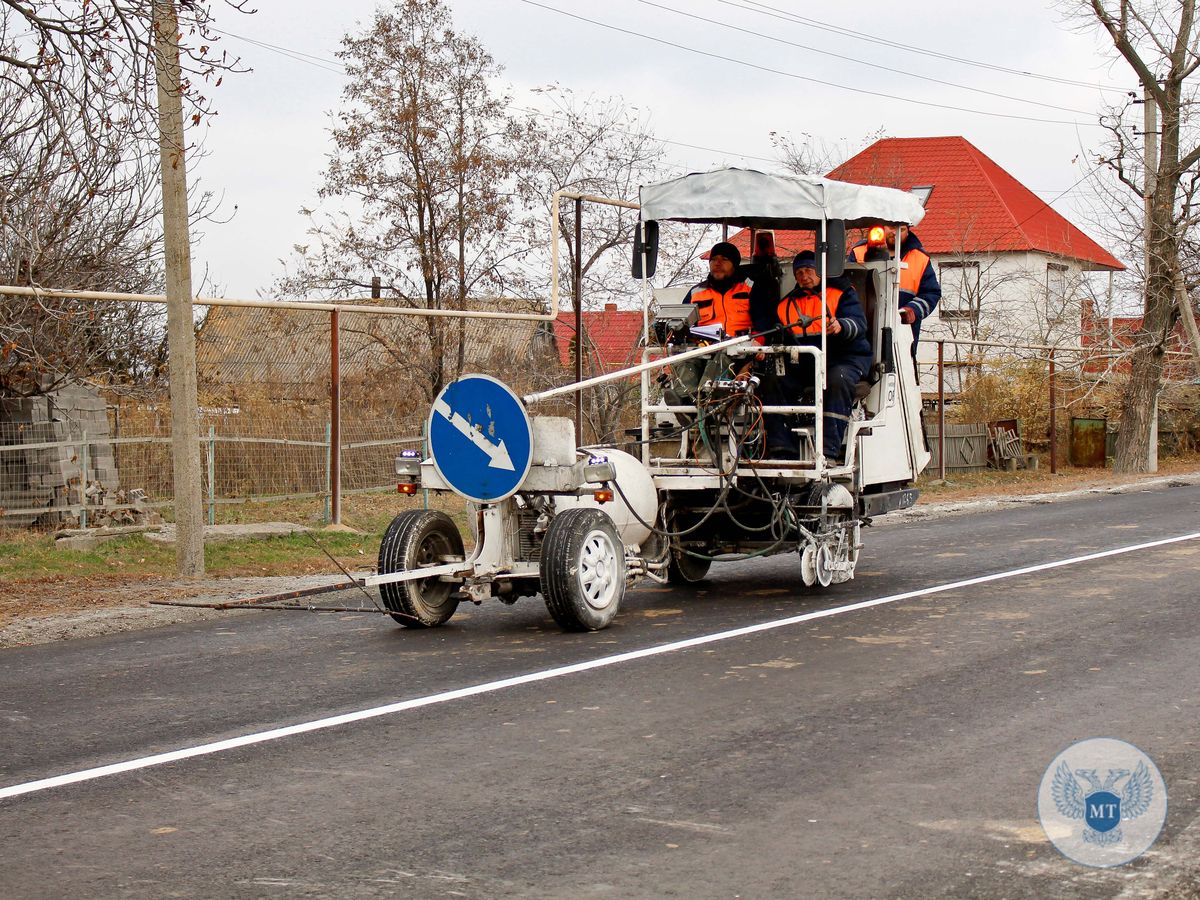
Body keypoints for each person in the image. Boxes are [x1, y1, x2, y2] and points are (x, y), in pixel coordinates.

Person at [765, 251, 872, 461]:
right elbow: (780, 339)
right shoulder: (785, 305)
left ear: (821, 272)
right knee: (773, 380)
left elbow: (859, 324)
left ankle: (828, 452)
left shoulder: (842, 293)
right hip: (806, 362)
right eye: (799, 272)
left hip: (845, 359)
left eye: (809, 271)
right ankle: (783, 451)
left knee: (837, 379)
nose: (804, 276)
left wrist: (841, 325)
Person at [850, 225, 940, 360]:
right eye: (891, 227)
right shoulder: (858, 252)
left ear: (908, 230)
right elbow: (844, 288)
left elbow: (931, 293)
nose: (895, 232)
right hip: (860, 335)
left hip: (902, 341)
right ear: (881, 226)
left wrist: (913, 310)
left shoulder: (920, 258)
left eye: (901, 229)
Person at [684, 241, 753, 336]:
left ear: (735, 265)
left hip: (744, 347)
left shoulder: (750, 288)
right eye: (713, 259)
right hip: (705, 348)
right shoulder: (695, 293)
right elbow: (682, 326)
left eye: (724, 259)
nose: (717, 263)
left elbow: (763, 322)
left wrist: (758, 341)